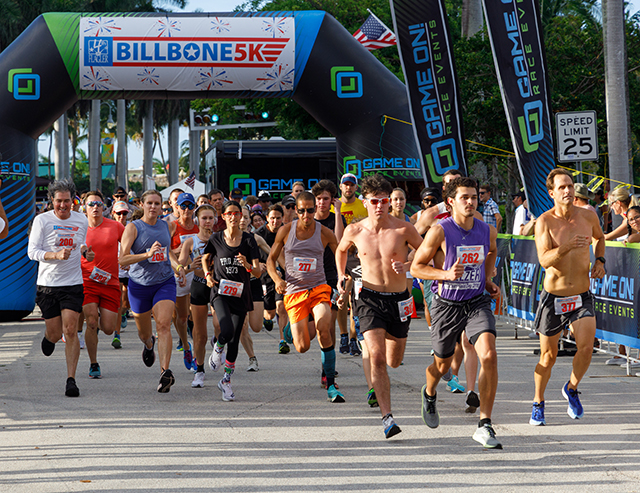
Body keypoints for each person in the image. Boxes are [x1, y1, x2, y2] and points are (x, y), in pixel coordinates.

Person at [411, 176, 501, 449]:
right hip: (446, 304)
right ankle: (429, 393)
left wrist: (486, 280)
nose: (471, 202)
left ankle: (485, 424)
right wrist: (446, 274)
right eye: (465, 197)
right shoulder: (440, 230)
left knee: (489, 353)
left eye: (474, 197)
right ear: (450, 202)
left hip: (475, 301)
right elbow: (416, 267)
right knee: (442, 366)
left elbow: (492, 252)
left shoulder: (487, 231)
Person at [336, 174, 423, 438]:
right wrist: (342, 275)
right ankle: (387, 417)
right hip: (369, 298)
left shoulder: (403, 228)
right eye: (374, 201)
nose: (379, 207)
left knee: (394, 361)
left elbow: (425, 250)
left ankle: (386, 390)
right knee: (376, 356)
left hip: (398, 300)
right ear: (365, 201)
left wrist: (407, 265)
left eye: (384, 201)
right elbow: (341, 250)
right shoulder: (355, 230)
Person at [529, 168, 605, 426]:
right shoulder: (544, 222)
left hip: (581, 295)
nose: (568, 191)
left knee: (586, 347)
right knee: (547, 357)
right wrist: (567, 247)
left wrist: (600, 261)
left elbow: (600, 238)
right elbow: (544, 260)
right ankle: (538, 402)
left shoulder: (588, 215)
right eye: (562, 187)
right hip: (554, 297)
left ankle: (571, 388)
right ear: (551, 193)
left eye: (570, 186)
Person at [268, 191, 344, 403]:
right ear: (295, 210)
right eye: (301, 210)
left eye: (310, 210)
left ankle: (330, 383)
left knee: (325, 328)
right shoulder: (285, 231)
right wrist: (277, 280)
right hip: (294, 292)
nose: (306, 215)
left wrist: (342, 277)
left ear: (316, 209)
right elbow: (270, 260)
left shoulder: (324, 232)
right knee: (302, 346)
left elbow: (341, 254)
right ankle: (289, 332)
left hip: (319, 288)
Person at [28, 178, 94, 397]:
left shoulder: (81, 219)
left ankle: (71, 380)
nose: (63, 206)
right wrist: (54, 255)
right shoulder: (42, 221)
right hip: (48, 285)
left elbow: (81, 242)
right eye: (59, 201)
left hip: (73, 283)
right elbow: (32, 252)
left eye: (67, 201)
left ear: (73, 201)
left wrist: (86, 252)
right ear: (52, 200)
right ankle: (49, 338)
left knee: (70, 329)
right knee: (56, 333)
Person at [120, 190, 186, 393]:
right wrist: (146, 254)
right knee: (144, 333)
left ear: (162, 205)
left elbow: (167, 253)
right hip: (139, 286)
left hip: (164, 282)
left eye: (157, 203)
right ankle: (149, 345)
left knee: (164, 324)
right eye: (149, 203)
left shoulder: (168, 225)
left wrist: (179, 268)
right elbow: (122, 260)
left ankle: (165, 372)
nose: (153, 207)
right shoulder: (133, 227)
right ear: (142, 204)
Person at [202, 201, 262, 401]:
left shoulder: (249, 240)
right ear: (224, 216)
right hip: (220, 292)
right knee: (226, 330)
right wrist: (207, 275)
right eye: (230, 213)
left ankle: (226, 381)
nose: (235, 217)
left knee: (235, 340)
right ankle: (217, 349)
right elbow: (205, 257)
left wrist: (247, 265)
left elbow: (258, 270)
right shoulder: (216, 238)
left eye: (238, 214)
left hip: (241, 294)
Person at [80, 191, 125, 378]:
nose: (95, 207)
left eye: (99, 204)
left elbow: (131, 245)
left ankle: (101, 321)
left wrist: (130, 260)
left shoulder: (115, 226)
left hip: (110, 282)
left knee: (107, 328)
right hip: (86, 281)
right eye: (91, 204)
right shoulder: (78, 227)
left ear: (104, 207)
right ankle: (93, 363)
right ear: (84, 208)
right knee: (91, 322)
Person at [180, 204, 215, 387]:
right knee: (200, 334)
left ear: (215, 220)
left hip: (217, 287)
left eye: (210, 218)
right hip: (199, 286)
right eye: (204, 218)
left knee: (221, 325)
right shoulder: (190, 242)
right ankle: (199, 370)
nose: (207, 222)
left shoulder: (220, 239)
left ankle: (218, 345)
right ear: (197, 220)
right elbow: (179, 269)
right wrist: (189, 268)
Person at [169, 192, 199, 371]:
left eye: (190, 206)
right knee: (181, 317)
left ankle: (196, 354)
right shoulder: (171, 227)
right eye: (183, 206)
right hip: (179, 274)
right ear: (177, 208)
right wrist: (180, 250)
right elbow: (167, 251)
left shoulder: (199, 227)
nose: (186, 210)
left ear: (194, 208)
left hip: (196, 274)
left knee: (195, 317)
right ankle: (186, 347)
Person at [255, 204, 290, 353]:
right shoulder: (259, 234)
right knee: (269, 312)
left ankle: (283, 341)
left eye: (278, 218)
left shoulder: (287, 231)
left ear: (283, 218)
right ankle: (267, 318)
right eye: (272, 218)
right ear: (266, 219)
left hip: (282, 275)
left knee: (281, 307)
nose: (275, 221)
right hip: (265, 275)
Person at [112, 200, 130, 348]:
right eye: (119, 213)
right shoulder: (109, 228)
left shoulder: (132, 228)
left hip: (130, 271)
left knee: (126, 303)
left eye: (124, 213)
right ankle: (116, 334)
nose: (121, 216)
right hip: (115, 271)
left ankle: (124, 313)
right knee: (118, 303)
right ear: (113, 214)